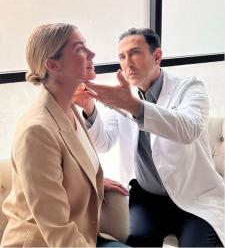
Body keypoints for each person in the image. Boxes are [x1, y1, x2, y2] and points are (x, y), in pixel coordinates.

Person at [74, 28, 225, 247]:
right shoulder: (123, 94)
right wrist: (89, 108)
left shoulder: (190, 88)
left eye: (135, 53)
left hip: (194, 197)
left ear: (157, 56)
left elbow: (188, 129)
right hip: (147, 198)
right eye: (122, 57)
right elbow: (104, 142)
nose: (127, 63)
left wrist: (133, 106)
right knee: (138, 241)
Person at [1, 23, 128, 247]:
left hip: (83, 234)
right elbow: (57, 230)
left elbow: (69, 165)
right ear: (53, 65)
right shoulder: (37, 132)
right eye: (80, 48)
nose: (92, 54)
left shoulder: (69, 110)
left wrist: (91, 183)